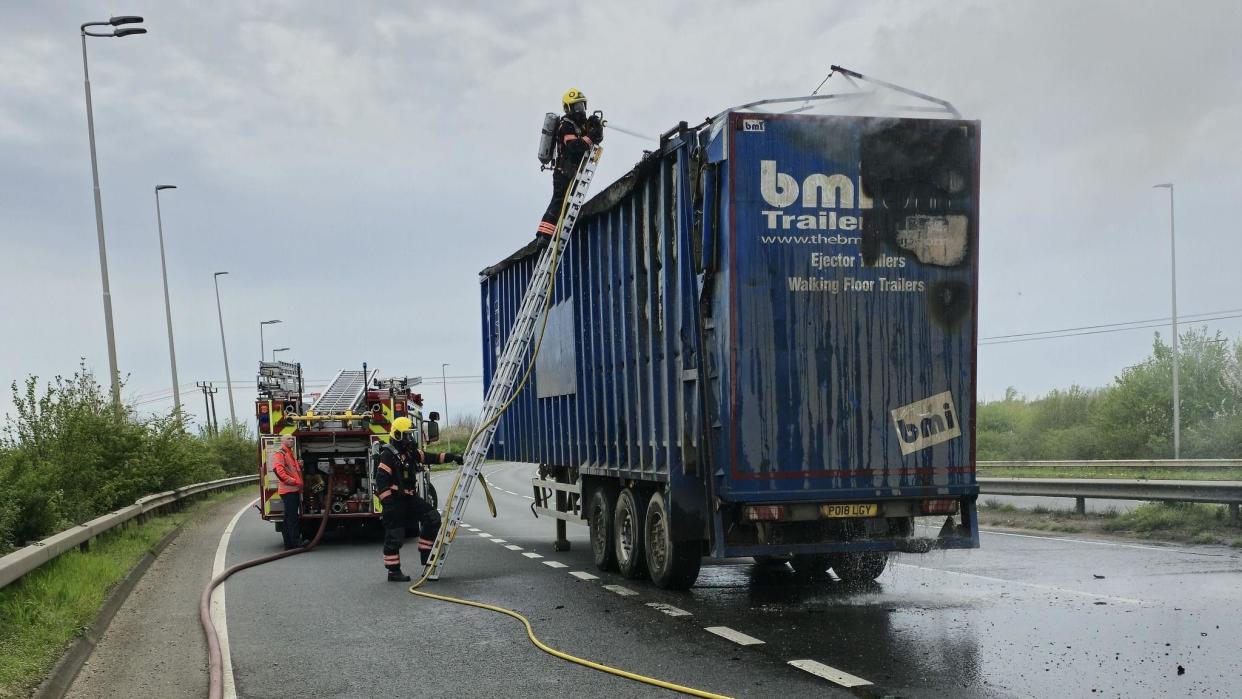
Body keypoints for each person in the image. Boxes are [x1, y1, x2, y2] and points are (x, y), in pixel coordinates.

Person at [375, 416, 464, 582]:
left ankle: (426, 555)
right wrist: (388, 505)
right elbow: (381, 480)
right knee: (395, 535)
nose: (410, 439)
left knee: (432, 518)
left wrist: (453, 457)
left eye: (410, 435)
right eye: (407, 435)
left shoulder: (409, 453)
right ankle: (393, 571)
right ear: (398, 435)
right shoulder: (388, 455)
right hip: (395, 500)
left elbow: (432, 457)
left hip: (410, 498)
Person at [534, 87, 604, 249]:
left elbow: (595, 140)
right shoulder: (566, 125)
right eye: (576, 107)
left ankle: (555, 230)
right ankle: (543, 235)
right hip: (563, 171)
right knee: (559, 200)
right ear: (568, 108)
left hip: (573, 171)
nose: (580, 110)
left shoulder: (580, 125)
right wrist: (590, 137)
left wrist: (596, 129)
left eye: (582, 106)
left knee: (568, 203)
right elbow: (574, 146)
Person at [270, 434, 309, 550]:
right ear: (282, 441)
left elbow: (292, 470)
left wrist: (300, 467)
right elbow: (278, 470)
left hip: (292, 490)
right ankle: (296, 543)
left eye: (292, 438)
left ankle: (288, 544)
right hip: (289, 491)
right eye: (288, 438)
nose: (291, 440)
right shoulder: (281, 453)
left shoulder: (289, 454)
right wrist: (293, 481)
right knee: (292, 518)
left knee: (288, 519)